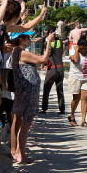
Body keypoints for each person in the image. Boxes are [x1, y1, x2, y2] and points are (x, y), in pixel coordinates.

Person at [11, 31, 54, 162]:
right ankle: (21, 155)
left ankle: (15, 151)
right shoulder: (22, 53)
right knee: (26, 122)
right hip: (28, 90)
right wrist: (49, 44)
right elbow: (43, 60)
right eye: (28, 38)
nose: (30, 40)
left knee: (17, 120)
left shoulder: (16, 52)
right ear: (21, 39)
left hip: (22, 89)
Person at [67, 36, 87, 127]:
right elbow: (75, 60)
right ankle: (72, 116)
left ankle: (83, 120)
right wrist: (76, 50)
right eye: (81, 48)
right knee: (76, 99)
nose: (83, 51)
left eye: (84, 49)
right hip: (75, 77)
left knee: (84, 98)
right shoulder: (73, 50)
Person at [41, 27, 66, 114]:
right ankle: (62, 109)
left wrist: (48, 40)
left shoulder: (47, 44)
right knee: (60, 90)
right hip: (60, 69)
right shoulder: (60, 42)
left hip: (52, 69)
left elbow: (46, 55)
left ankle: (44, 108)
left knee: (46, 89)